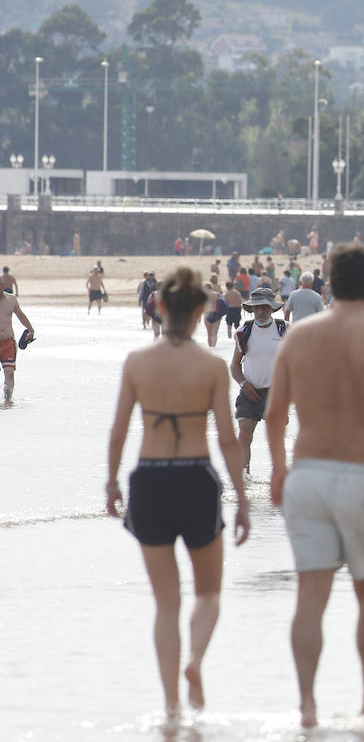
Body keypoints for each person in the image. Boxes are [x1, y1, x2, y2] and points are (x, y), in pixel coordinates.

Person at [264, 243, 364, 728]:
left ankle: (308, 706)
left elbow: (275, 414)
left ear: (330, 283)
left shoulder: (298, 337)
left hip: (308, 474)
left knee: (310, 596)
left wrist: (277, 470)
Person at [104, 267, 250, 719]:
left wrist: (110, 482)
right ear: (203, 310)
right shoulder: (210, 367)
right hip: (195, 477)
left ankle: (170, 706)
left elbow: (118, 431)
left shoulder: (137, 362)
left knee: (166, 601)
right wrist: (243, 498)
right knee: (208, 593)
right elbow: (228, 440)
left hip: (149, 478)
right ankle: (195, 663)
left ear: (160, 307)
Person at [230, 287, 288, 474]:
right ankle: (243, 479)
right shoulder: (243, 331)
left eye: (264, 307)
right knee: (244, 435)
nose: (260, 312)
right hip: (249, 392)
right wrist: (243, 385)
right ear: (251, 309)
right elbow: (235, 365)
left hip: (276, 394)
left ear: (272, 308)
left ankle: (280, 478)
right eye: (256, 308)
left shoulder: (285, 329)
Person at [1, 287, 35, 407]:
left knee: (9, 372)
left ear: (2, 286)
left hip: (8, 343)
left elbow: (21, 315)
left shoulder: (11, 299)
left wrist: (30, 329)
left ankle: (7, 400)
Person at [204, 281, 227, 347]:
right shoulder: (217, 294)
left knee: (209, 334)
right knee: (214, 333)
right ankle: (214, 347)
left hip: (207, 314)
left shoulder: (204, 296)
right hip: (217, 314)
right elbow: (223, 303)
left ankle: (210, 347)